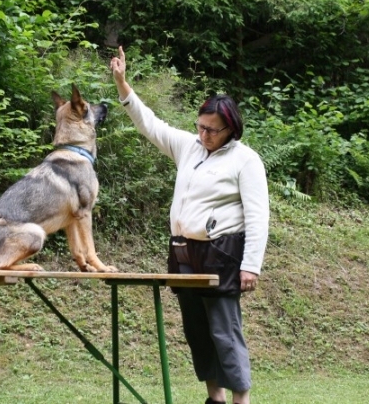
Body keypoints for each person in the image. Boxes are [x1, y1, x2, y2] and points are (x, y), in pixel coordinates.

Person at [110, 46, 269, 404]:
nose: (204, 135)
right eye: (201, 127)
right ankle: (216, 398)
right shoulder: (189, 148)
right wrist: (123, 83)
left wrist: (251, 266)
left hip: (223, 254)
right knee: (197, 330)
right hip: (184, 251)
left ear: (231, 128)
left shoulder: (246, 160)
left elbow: (258, 215)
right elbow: (150, 124)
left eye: (212, 130)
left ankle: (241, 401)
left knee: (224, 331)